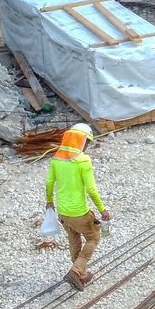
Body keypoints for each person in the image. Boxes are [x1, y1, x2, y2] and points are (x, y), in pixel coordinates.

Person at [45, 122, 111, 289]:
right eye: (86, 142)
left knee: (73, 238)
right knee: (94, 236)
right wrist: (102, 209)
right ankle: (76, 270)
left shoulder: (56, 158)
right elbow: (91, 189)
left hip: (63, 212)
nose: (87, 146)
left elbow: (49, 182)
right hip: (79, 212)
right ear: (81, 141)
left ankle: (79, 275)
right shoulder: (83, 161)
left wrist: (49, 202)